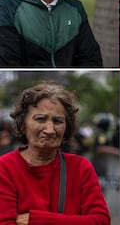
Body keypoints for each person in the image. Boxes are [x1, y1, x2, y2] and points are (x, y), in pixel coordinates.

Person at [0, 82, 111, 224]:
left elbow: (101, 221)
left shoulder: (81, 168)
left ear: (66, 127)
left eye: (58, 121)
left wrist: (36, 220)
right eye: (40, 119)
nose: (50, 130)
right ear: (22, 124)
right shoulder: (5, 168)